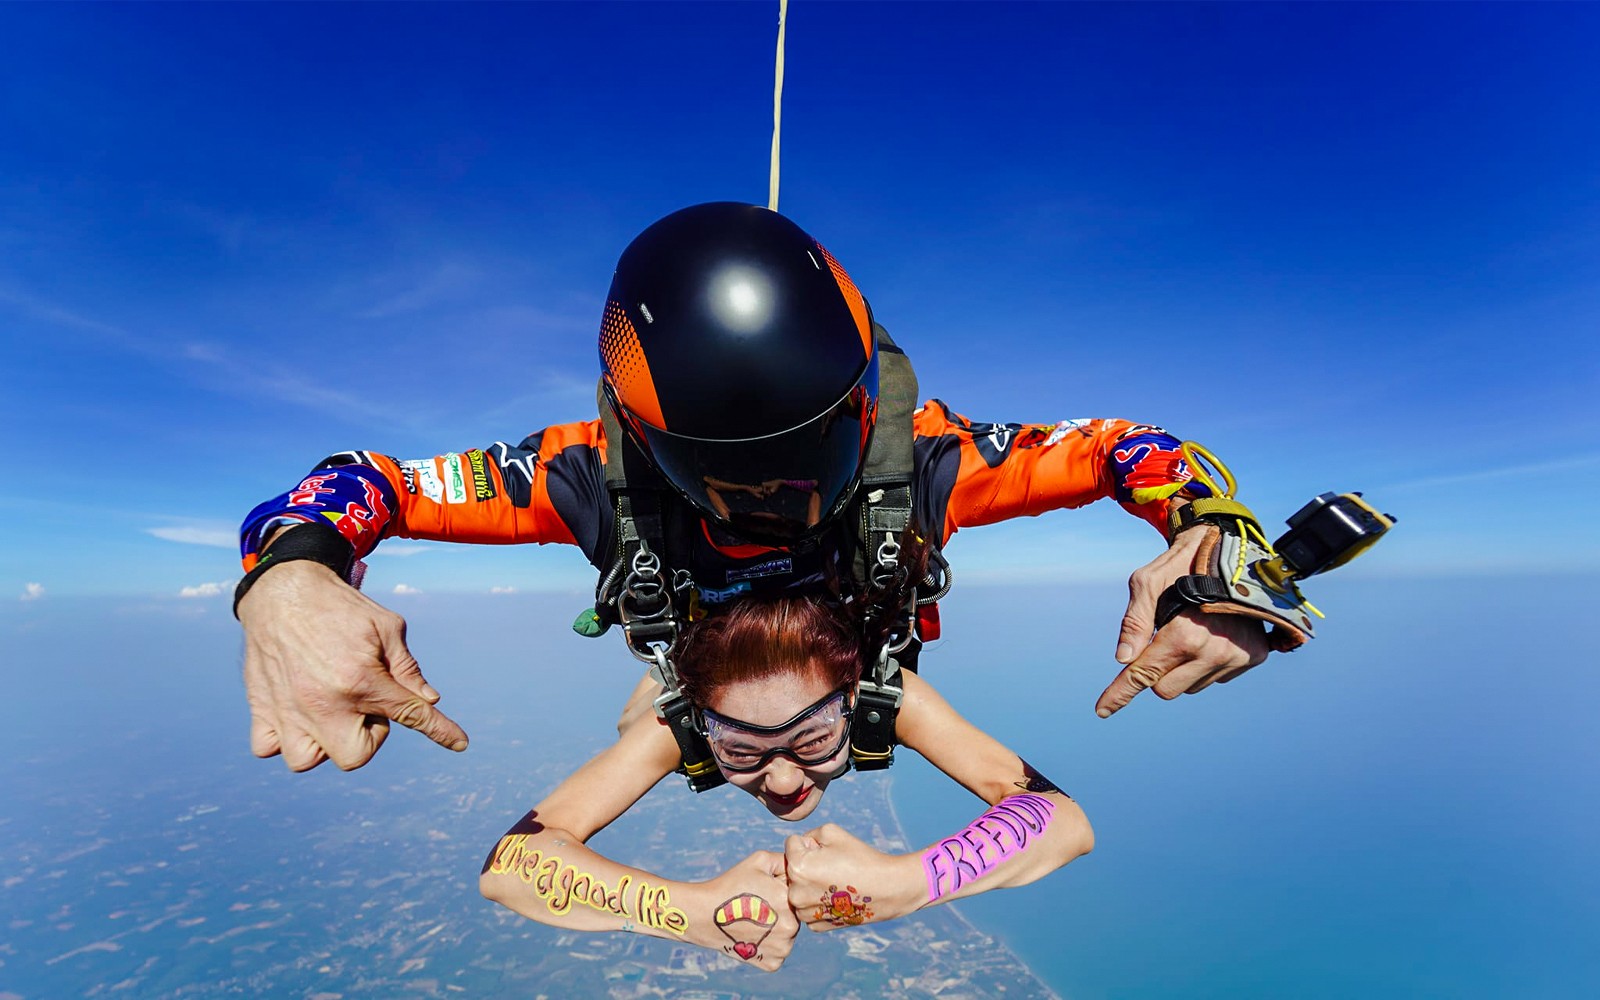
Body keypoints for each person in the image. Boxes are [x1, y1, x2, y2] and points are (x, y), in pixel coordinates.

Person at [233, 202, 1273, 773]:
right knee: (665, 720)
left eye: (816, 447)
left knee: (665, 724)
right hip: (754, 688)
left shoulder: (921, 456)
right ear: (649, 440)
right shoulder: (592, 472)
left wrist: (1211, 533)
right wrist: (290, 577)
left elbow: (1121, 446)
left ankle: (697, 703)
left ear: (866, 403)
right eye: (729, 474)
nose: (781, 494)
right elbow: (358, 483)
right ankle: (692, 700)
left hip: (807, 686)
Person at [478, 589, 1092, 972]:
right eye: (742, 750)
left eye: (814, 740)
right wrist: (688, 911)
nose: (781, 776)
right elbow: (507, 868)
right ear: (704, 724)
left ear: (855, 703)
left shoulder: (887, 697)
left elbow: (1066, 823)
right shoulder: (680, 724)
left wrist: (907, 882)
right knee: (634, 721)